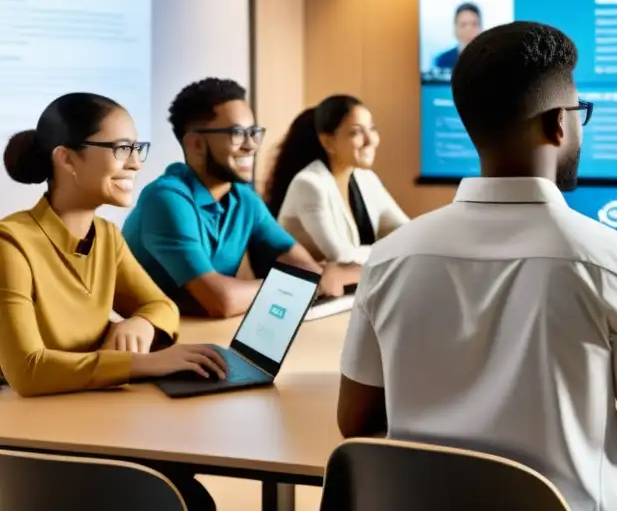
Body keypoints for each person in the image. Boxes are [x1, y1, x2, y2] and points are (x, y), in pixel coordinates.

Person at [337, 21, 617, 511]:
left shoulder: (392, 255)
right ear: (558, 123)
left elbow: (354, 421)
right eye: (580, 112)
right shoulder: (613, 261)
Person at [0, 93, 228, 510]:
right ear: (67, 159)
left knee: (188, 491)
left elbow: (162, 307)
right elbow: (27, 373)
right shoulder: (10, 244)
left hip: (88, 422)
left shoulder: (105, 236)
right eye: (121, 149)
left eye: (137, 148)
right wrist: (144, 362)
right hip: (31, 446)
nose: (137, 163)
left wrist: (138, 324)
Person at [122, 78, 349, 318]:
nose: (251, 146)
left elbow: (307, 269)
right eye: (238, 134)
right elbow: (223, 301)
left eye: (254, 133)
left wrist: (301, 281)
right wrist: (293, 286)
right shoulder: (165, 200)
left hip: (207, 334)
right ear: (196, 144)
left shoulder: (244, 200)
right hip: (153, 341)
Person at [265, 95, 408, 268]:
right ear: (327, 141)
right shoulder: (309, 184)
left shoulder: (366, 179)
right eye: (356, 132)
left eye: (372, 129)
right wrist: (391, 251)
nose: (370, 140)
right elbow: (342, 258)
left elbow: (408, 233)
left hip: (348, 288)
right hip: (306, 292)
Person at [433, 2, 482, 69]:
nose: (469, 30)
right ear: (455, 29)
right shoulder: (442, 61)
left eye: (474, 24)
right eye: (463, 25)